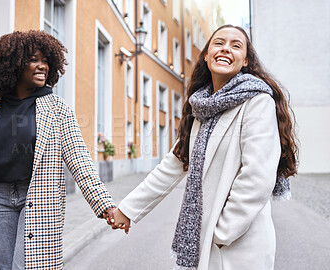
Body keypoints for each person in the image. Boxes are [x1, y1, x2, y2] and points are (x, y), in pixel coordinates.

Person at [110, 25, 298, 270]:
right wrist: (127, 210)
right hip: (207, 239)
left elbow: (257, 177)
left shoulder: (257, 102)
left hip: (239, 244)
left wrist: (221, 233)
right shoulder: (201, 108)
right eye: (218, 43)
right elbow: (172, 165)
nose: (226, 49)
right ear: (207, 55)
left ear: (246, 61)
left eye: (236, 45)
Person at [0, 30, 116, 270]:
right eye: (34, 59)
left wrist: (105, 205)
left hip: (38, 200)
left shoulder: (58, 109)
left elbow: (80, 161)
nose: (42, 65)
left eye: (46, 60)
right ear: (13, 65)